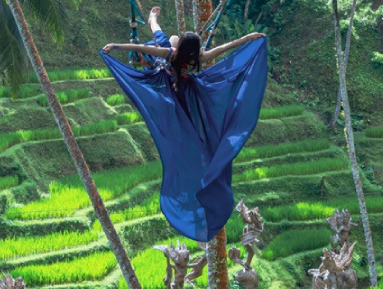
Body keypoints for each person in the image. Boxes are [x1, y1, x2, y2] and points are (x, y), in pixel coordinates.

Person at [101, 26, 268, 242]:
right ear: (194, 49)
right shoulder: (199, 57)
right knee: (197, 132)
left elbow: (141, 47)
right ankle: (201, 157)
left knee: (184, 132)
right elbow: (225, 47)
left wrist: (115, 46)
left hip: (174, 96)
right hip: (192, 97)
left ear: (181, 46)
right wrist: (248, 37)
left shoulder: (171, 53)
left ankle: (195, 155)